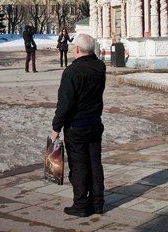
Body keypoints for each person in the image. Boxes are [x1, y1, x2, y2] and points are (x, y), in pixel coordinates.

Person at [50, 33, 106, 217]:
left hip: (76, 126)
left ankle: (81, 205)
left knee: (79, 165)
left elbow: (65, 103)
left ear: (77, 49)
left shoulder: (72, 71)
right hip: (95, 123)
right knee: (95, 164)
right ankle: (97, 203)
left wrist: (56, 128)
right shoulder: (100, 67)